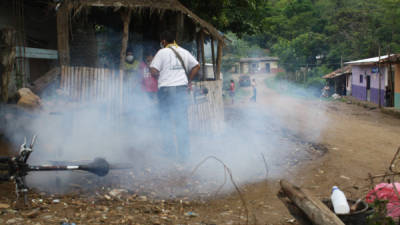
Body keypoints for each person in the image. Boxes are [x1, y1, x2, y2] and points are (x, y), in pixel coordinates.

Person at [150, 31, 200, 162]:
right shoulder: (184, 51)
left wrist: (159, 77)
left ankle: (170, 153)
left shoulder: (161, 52)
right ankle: (184, 155)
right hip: (181, 91)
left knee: (165, 121)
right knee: (181, 122)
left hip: (166, 91)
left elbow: (153, 70)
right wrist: (188, 80)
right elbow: (196, 66)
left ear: (164, 41)